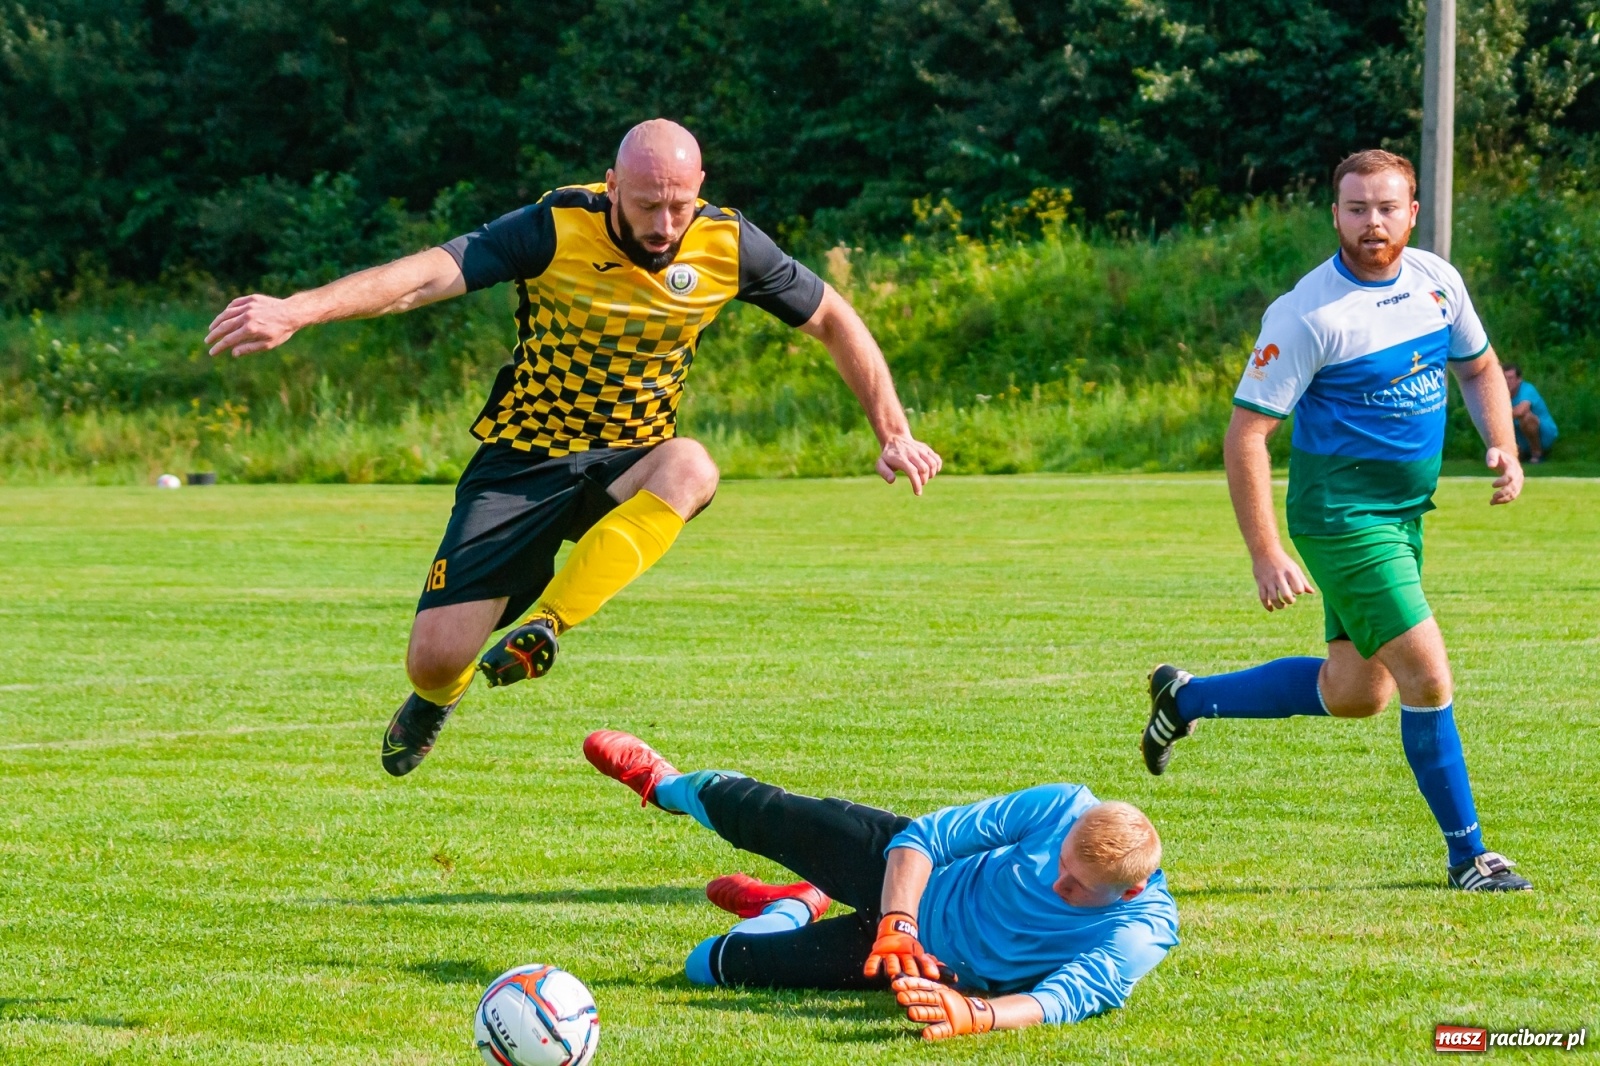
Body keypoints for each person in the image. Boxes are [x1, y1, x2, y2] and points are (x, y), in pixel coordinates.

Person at [204, 120, 942, 777]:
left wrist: (892, 429)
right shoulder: (556, 227)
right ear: (613, 184)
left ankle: (544, 627)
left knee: (693, 465)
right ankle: (441, 695)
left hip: (629, 457)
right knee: (433, 660)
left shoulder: (729, 243)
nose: (663, 222)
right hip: (522, 460)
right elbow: (424, 277)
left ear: (700, 188)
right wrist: (299, 309)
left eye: (678, 204)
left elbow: (833, 318)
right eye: (647, 203)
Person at [1140, 149, 1533, 892]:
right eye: (1357, 208)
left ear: (1412, 213)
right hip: (1343, 517)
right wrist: (1265, 551)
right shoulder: (1306, 314)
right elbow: (1246, 434)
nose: (1372, 222)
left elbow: (1478, 366)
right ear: (1335, 214)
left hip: (1406, 514)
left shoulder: (1437, 282)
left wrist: (1502, 444)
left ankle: (1184, 699)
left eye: (1387, 208)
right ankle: (1468, 857)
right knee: (1427, 676)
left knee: (1358, 693)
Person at [582, 729, 1179, 1041]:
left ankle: (789, 907)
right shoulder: (1063, 807)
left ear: (1127, 892)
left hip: (927, 965)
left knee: (706, 965)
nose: (1056, 884)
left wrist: (977, 1014)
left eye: (1076, 889)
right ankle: (665, 786)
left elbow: (1070, 996)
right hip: (906, 876)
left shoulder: (1142, 928)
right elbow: (924, 839)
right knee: (753, 809)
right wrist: (900, 921)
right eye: (1062, 864)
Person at [1503, 363, 1558, 463]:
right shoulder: (1500, 394)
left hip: (1544, 434)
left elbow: (1521, 411)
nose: (1507, 381)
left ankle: (1537, 453)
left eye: (1510, 378)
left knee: (1527, 418)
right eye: (1504, 378)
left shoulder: (1527, 389)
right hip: (1519, 434)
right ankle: (1518, 453)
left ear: (1519, 379)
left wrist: (1498, 415)